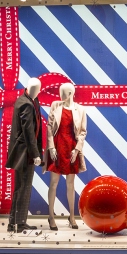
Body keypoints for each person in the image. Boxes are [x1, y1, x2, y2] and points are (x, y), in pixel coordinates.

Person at [44, 83, 87, 230]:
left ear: (70, 93)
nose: (60, 94)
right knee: (53, 183)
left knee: (70, 184)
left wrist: (77, 149)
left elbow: (82, 132)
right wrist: (51, 147)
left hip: (71, 148)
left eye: (62, 92)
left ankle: (72, 216)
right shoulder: (55, 105)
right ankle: (51, 216)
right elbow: (50, 127)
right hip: (57, 146)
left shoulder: (80, 109)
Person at [6, 78, 43, 233]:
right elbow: (28, 132)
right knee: (23, 187)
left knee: (22, 187)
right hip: (24, 152)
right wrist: (35, 154)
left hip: (25, 151)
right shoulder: (26, 103)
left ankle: (16, 222)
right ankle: (17, 223)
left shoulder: (31, 100)